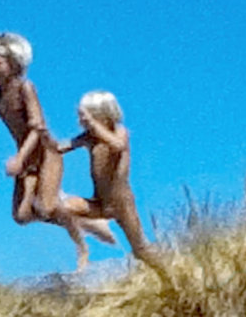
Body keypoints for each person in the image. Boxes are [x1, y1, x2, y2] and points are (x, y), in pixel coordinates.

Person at [0, 33, 114, 271]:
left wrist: (20, 158)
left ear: (15, 64)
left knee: (47, 207)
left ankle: (86, 239)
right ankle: (81, 219)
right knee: (22, 215)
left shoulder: (25, 88)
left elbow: (37, 128)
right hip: (26, 161)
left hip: (46, 155)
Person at [58, 91, 171, 284]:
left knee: (141, 250)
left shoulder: (119, 132)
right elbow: (62, 146)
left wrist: (94, 126)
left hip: (122, 204)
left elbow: (118, 145)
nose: (82, 121)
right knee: (62, 207)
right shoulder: (89, 137)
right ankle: (84, 250)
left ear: (103, 114)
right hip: (100, 202)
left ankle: (170, 278)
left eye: (86, 116)